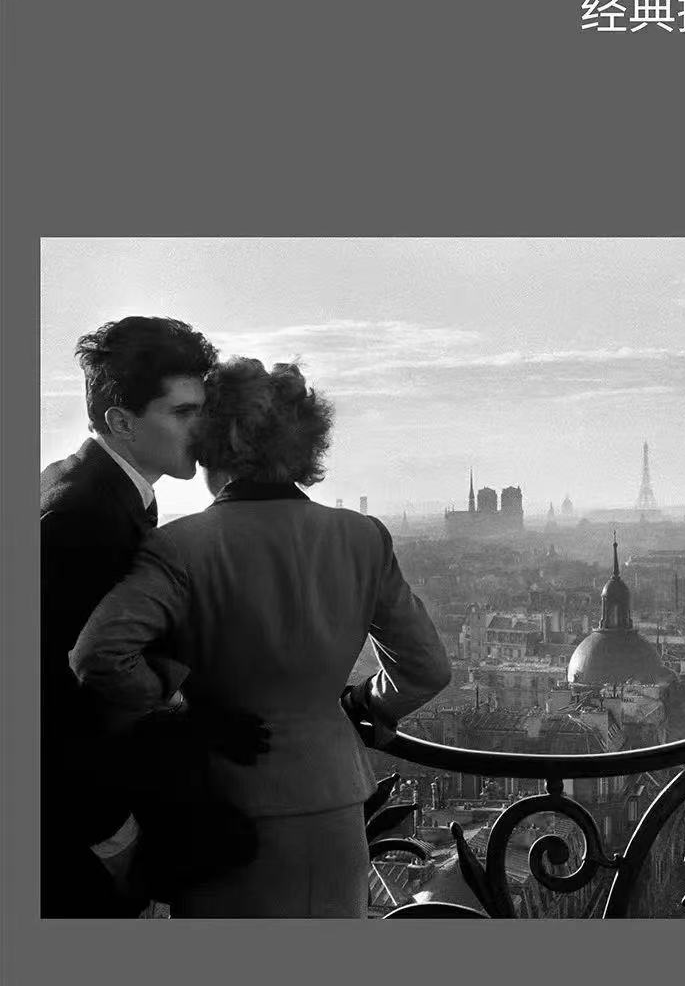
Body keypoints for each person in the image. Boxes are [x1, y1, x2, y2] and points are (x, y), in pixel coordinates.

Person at [71, 359, 453, 918]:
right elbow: (427, 668)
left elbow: (99, 656)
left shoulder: (182, 545)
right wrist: (362, 704)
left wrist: (174, 700)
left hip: (225, 807)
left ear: (211, 443)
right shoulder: (362, 537)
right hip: (336, 799)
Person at [40, 316, 218, 916]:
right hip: (77, 832)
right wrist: (112, 835)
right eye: (183, 412)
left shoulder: (90, 487)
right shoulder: (82, 517)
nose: (202, 429)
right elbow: (54, 697)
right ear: (121, 422)